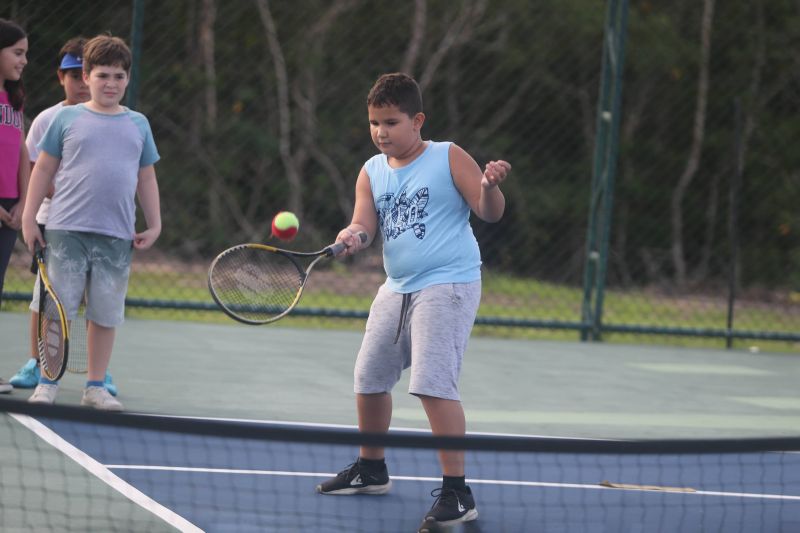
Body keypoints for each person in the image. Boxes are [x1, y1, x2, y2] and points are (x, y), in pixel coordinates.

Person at [315, 72, 511, 528]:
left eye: (391, 122)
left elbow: (489, 212)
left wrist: (489, 185)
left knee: (432, 383)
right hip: (396, 285)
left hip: (449, 284)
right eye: (374, 123)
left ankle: (458, 493)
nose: (381, 132)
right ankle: (370, 468)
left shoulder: (446, 156)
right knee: (369, 376)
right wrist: (352, 236)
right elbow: (364, 223)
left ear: (417, 120)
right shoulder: (372, 170)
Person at [21, 34, 161, 410]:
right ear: (86, 75)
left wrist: (155, 224)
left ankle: (95, 386)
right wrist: (31, 220)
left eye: (118, 76)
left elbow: (146, 176)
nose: (110, 83)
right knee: (57, 309)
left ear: (128, 79)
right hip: (66, 231)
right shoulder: (65, 118)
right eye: (102, 75)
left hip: (116, 235)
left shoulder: (138, 124)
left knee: (104, 312)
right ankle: (48, 381)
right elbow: (43, 169)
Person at [9, 37, 118, 396]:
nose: (78, 82)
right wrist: (45, 200)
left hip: (94, 225)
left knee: (95, 298)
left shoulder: (114, 118)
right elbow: (32, 164)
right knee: (46, 296)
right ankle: (37, 361)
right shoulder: (48, 119)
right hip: (51, 220)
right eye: (70, 75)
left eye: (81, 75)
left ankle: (99, 373)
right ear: (61, 77)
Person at [0, 19, 30, 394]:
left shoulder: (14, 100)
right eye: (17, 53)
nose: (24, 61)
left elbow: (20, 150)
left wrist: (24, 201)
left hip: (10, 206)